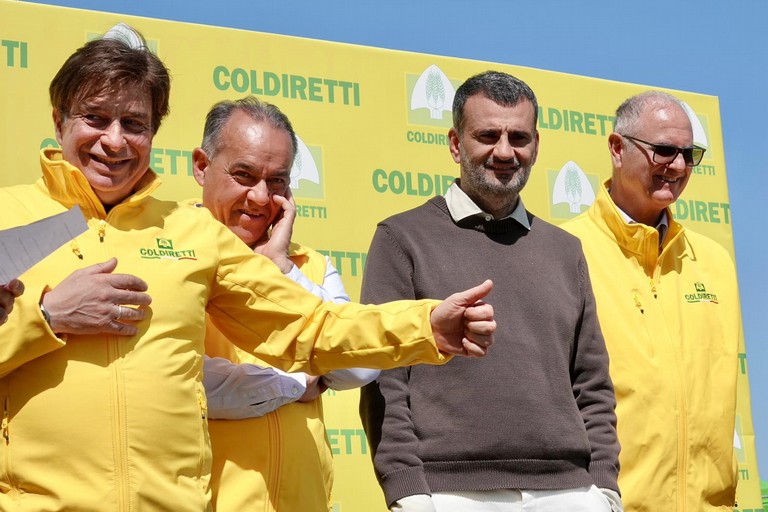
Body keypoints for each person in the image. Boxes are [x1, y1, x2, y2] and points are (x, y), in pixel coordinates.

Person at [0, 27, 497, 511]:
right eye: (94, 118)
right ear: (59, 119)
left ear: (153, 134)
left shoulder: (190, 233)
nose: (114, 141)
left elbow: (306, 325)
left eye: (134, 124)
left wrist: (424, 326)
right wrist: (46, 315)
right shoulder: (7, 218)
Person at [360, 70, 621, 512]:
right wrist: (407, 491)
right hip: (450, 494)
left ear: (536, 145)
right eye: (487, 135)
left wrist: (604, 489)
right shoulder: (401, 238)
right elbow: (384, 378)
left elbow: (591, 382)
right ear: (455, 143)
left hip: (570, 494)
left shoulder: (565, 251)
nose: (504, 151)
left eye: (518, 137)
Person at [192, 96, 379, 511]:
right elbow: (180, 380)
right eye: (244, 175)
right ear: (201, 167)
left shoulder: (308, 264)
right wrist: (295, 382)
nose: (260, 198)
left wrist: (281, 266)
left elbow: (360, 365)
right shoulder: (167, 253)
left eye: (277, 181)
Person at [562, 91, 739, 511]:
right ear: (617, 149)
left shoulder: (715, 262)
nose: (676, 166)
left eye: (688, 153)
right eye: (663, 151)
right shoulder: (564, 251)